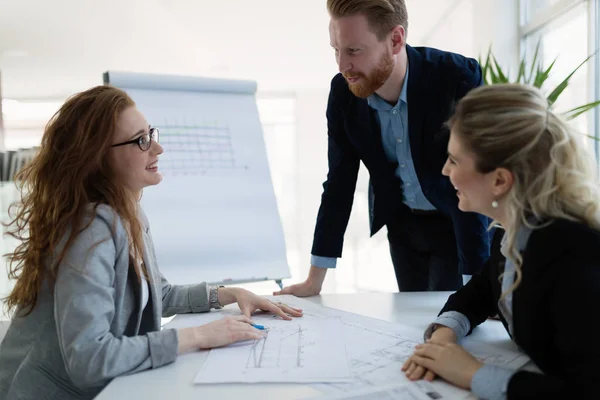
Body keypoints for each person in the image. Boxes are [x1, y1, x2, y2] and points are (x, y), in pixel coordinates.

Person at [0, 86, 303, 400]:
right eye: (141, 141)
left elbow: (157, 293)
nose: (157, 149)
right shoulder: (90, 232)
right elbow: (88, 359)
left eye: (151, 134)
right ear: (98, 157)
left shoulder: (128, 214)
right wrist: (198, 336)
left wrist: (228, 294)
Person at [275, 0, 490, 296]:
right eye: (336, 50)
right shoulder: (343, 93)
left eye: (354, 50)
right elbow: (339, 183)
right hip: (401, 225)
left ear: (395, 40)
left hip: (456, 224)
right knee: (411, 322)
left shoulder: (455, 77)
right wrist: (315, 279)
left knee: (451, 319)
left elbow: (474, 176)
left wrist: (479, 289)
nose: (341, 66)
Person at [401, 83, 600, 399]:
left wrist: (474, 374)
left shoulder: (573, 261)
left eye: (454, 160)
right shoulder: (516, 229)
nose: (444, 170)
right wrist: (446, 332)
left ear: (499, 181)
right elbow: (485, 288)